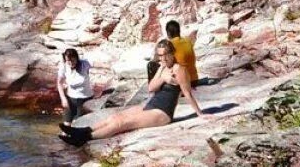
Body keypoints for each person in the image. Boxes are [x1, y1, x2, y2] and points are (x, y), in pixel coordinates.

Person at [59, 40, 203, 146]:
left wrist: (200, 115)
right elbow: (151, 88)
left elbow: (188, 93)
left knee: (122, 123)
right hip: (151, 105)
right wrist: (163, 78)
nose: (163, 58)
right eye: (160, 56)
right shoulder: (162, 68)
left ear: (172, 53)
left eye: (166, 55)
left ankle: (84, 138)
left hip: (163, 113)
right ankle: (83, 130)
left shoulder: (180, 70)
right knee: (116, 116)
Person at [55, 47, 94, 122]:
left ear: (77, 58)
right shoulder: (64, 66)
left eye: (73, 60)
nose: (71, 63)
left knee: (76, 124)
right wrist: (63, 98)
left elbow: (97, 63)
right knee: (66, 125)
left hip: (85, 99)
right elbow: (59, 83)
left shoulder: (84, 64)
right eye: (68, 61)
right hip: (71, 99)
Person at [166, 20, 199, 85]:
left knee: (155, 65)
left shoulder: (170, 44)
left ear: (168, 33)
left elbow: (168, 64)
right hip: (194, 80)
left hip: (183, 82)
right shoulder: (187, 40)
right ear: (179, 31)